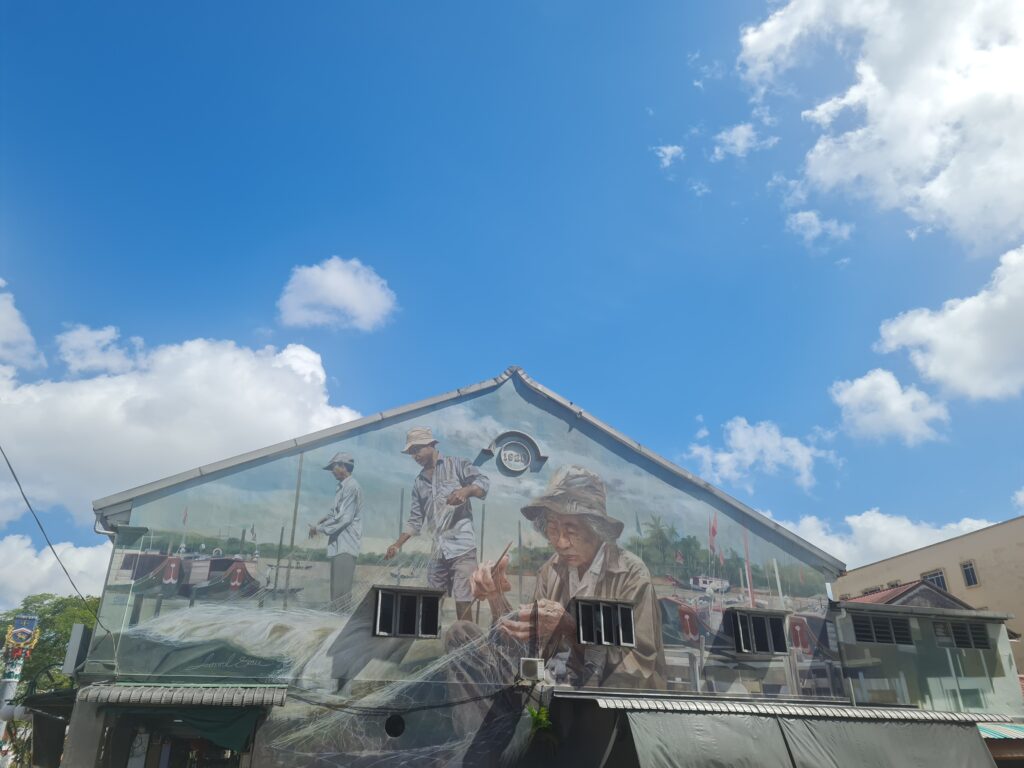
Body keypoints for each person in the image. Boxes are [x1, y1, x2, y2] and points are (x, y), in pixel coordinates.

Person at [471, 465, 666, 689]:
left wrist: (572, 629)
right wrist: (495, 596)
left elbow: (636, 667)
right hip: (554, 691)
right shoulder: (550, 570)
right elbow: (528, 648)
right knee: (461, 634)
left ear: (597, 529)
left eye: (571, 531)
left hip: (606, 704)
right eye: (553, 530)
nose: (561, 543)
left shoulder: (630, 573)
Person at [385, 426, 489, 622]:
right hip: (438, 550)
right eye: (411, 453)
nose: (415, 456)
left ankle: (465, 641)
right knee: (431, 600)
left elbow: (483, 483)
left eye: (417, 450)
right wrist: (397, 544)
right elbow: (415, 520)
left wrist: (465, 491)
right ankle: (430, 640)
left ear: (431, 445)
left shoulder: (456, 465)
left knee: (463, 597)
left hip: (462, 548)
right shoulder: (419, 483)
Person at [309, 451, 363, 606]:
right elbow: (335, 512)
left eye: (333, 467)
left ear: (344, 466)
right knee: (336, 595)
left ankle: (340, 625)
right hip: (338, 547)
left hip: (346, 546)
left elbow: (344, 519)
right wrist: (324, 519)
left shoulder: (351, 487)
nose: (332, 471)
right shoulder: (342, 487)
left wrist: (319, 529)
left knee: (341, 596)